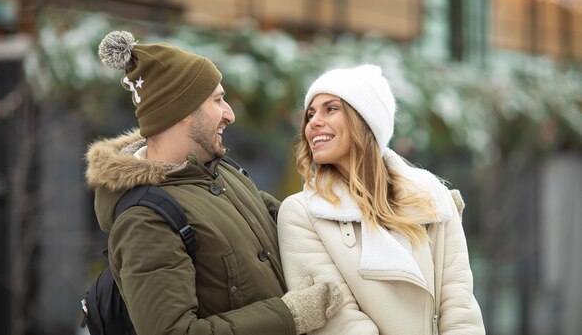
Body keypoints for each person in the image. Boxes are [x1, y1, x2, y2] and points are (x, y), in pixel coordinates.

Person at [85, 31, 342, 335]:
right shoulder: (144, 219)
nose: (229, 114)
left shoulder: (220, 172)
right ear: (180, 111)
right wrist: (292, 315)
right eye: (218, 100)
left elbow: (294, 217)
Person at [277, 64, 485, 335]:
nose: (313, 122)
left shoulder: (433, 198)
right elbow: (340, 320)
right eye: (310, 114)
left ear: (364, 120)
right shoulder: (302, 213)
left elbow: (460, 307)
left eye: (331, 109)